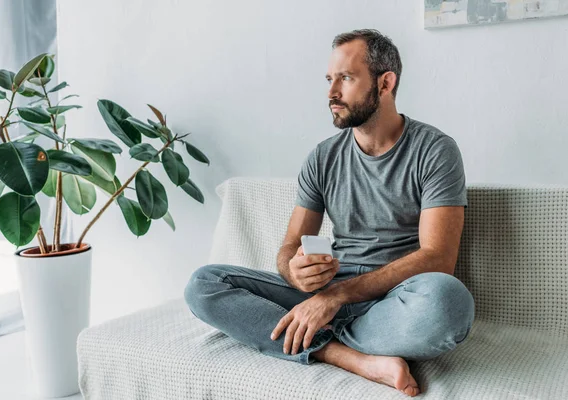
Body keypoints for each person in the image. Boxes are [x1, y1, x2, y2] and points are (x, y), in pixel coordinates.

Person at [184, 29, 475, 397]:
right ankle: (346, 356)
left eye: (346, 78)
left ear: (385, 83)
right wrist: (295, 269)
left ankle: (321, 335)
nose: (331, 92)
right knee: (204, 284)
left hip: (395, 299)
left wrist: (335, 298)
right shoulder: (322, 157)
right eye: (329, 79)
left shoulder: (434, 150)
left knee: (449, 302)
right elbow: (289, 247)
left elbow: (438, 258)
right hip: (330, 291)